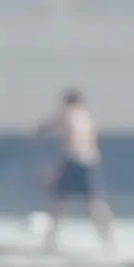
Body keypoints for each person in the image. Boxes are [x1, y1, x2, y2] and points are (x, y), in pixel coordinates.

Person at [32, 89, 114, 252]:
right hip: (91, 161)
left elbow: (70, 142)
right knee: (94, 202)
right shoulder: (86, 116)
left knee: (58, 201)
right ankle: (108, 239)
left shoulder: (68, 114)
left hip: (74, 160)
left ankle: (50, 240)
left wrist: (55, 168)